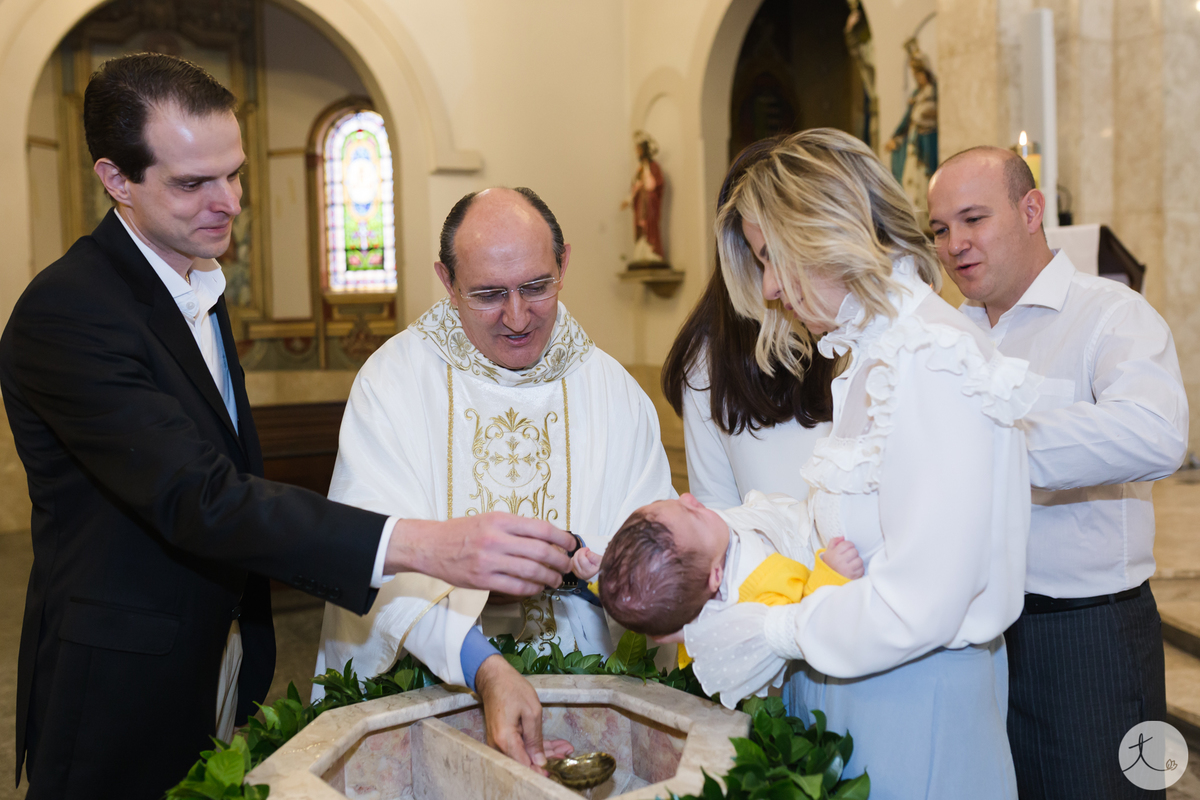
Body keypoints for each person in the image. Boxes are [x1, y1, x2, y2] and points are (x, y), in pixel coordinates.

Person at [0, 54, 577, 799]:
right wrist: (429, 545)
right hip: (119, 681)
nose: (229, 202)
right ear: (117, 179)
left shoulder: (190, 279)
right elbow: (199, 496)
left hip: (213, 655)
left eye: (235, 173)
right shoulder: (69, 310)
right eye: (193, 183)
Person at [683, 129, 1039, 800]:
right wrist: (725, 535)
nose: (769, 287)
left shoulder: (933, 358)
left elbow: (924, 599)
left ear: (823, 229)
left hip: (917, 700)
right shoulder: (874, 355)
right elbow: (850, 527)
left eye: (770, 256)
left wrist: (777, 629)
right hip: (860, 684)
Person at [314, 187, 674, 729]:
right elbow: (373, 548)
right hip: (427, 691)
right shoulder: (392, 384)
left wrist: (576, 568)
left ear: (564, 263)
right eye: (488, 294)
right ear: (447, 282)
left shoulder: (614, 393)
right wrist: (478, 647)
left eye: (536, 287)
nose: (517, 317)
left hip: (588, 688)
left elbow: (657, 554)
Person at [928, 146, 1189, 800]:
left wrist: (993, 444)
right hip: (978, 637)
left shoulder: (1110, 314)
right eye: (940, 229)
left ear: (1031, 210)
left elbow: (1156, 434)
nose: (955, 244)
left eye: (973, 219)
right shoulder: (943, 337)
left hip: (1090, 642)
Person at [661, 138, 835, 511]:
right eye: (763, 257)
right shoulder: (708, 357)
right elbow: (717, 506)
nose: (773, 285)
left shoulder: (863, 333)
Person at [573, 491, 861, 696]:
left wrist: (605, 573)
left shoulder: (697, 565)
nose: (688, 497)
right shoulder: (756, 595)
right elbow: (803, 622)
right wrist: (831, 575)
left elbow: (645, 588)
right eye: (693, 513)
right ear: (716, 577)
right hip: (807, 547)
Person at [621, 132, 666, 264]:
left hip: (650, 204)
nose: (637, 153)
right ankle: (642, 252)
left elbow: (655, 185)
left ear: (644, 150)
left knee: (650, 228)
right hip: (641, 205)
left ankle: (653, 251)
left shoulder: (653, 167)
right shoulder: (640, 169)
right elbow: (635, 186)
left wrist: (647, 179)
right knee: (641, 229)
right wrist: (628, 200)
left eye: (639, 150)